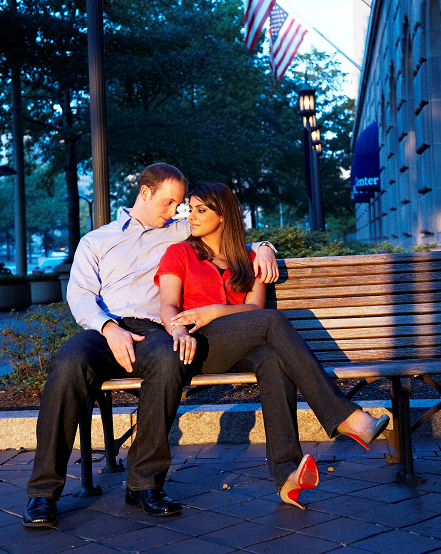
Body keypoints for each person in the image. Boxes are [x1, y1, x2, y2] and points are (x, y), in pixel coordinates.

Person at [23, 164, 279, 527]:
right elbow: (80, 295)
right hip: (102, 331)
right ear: (144, 192)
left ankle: (144, 483)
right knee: (66, 364)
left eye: (179, 205)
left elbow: (228, 234)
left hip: (155, 329)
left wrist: (264, 247)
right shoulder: (97, 240)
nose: (176, 211)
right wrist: (109, 328)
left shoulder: (177, 231)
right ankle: (43, 493)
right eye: (169, 202)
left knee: (168, 359)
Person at [155, 181, 389, 510]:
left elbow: (253, 309)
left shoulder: (248, 258)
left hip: (239, 346)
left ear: (222, 215)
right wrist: (176, 330)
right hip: (196, 345)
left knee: (271, 359)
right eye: (189, 209)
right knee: (274, 320)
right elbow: (167, 305)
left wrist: (217, 309)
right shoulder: (179, 253)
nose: (190, 216)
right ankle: (345, 416)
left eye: (200, 209)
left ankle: (288, 476)